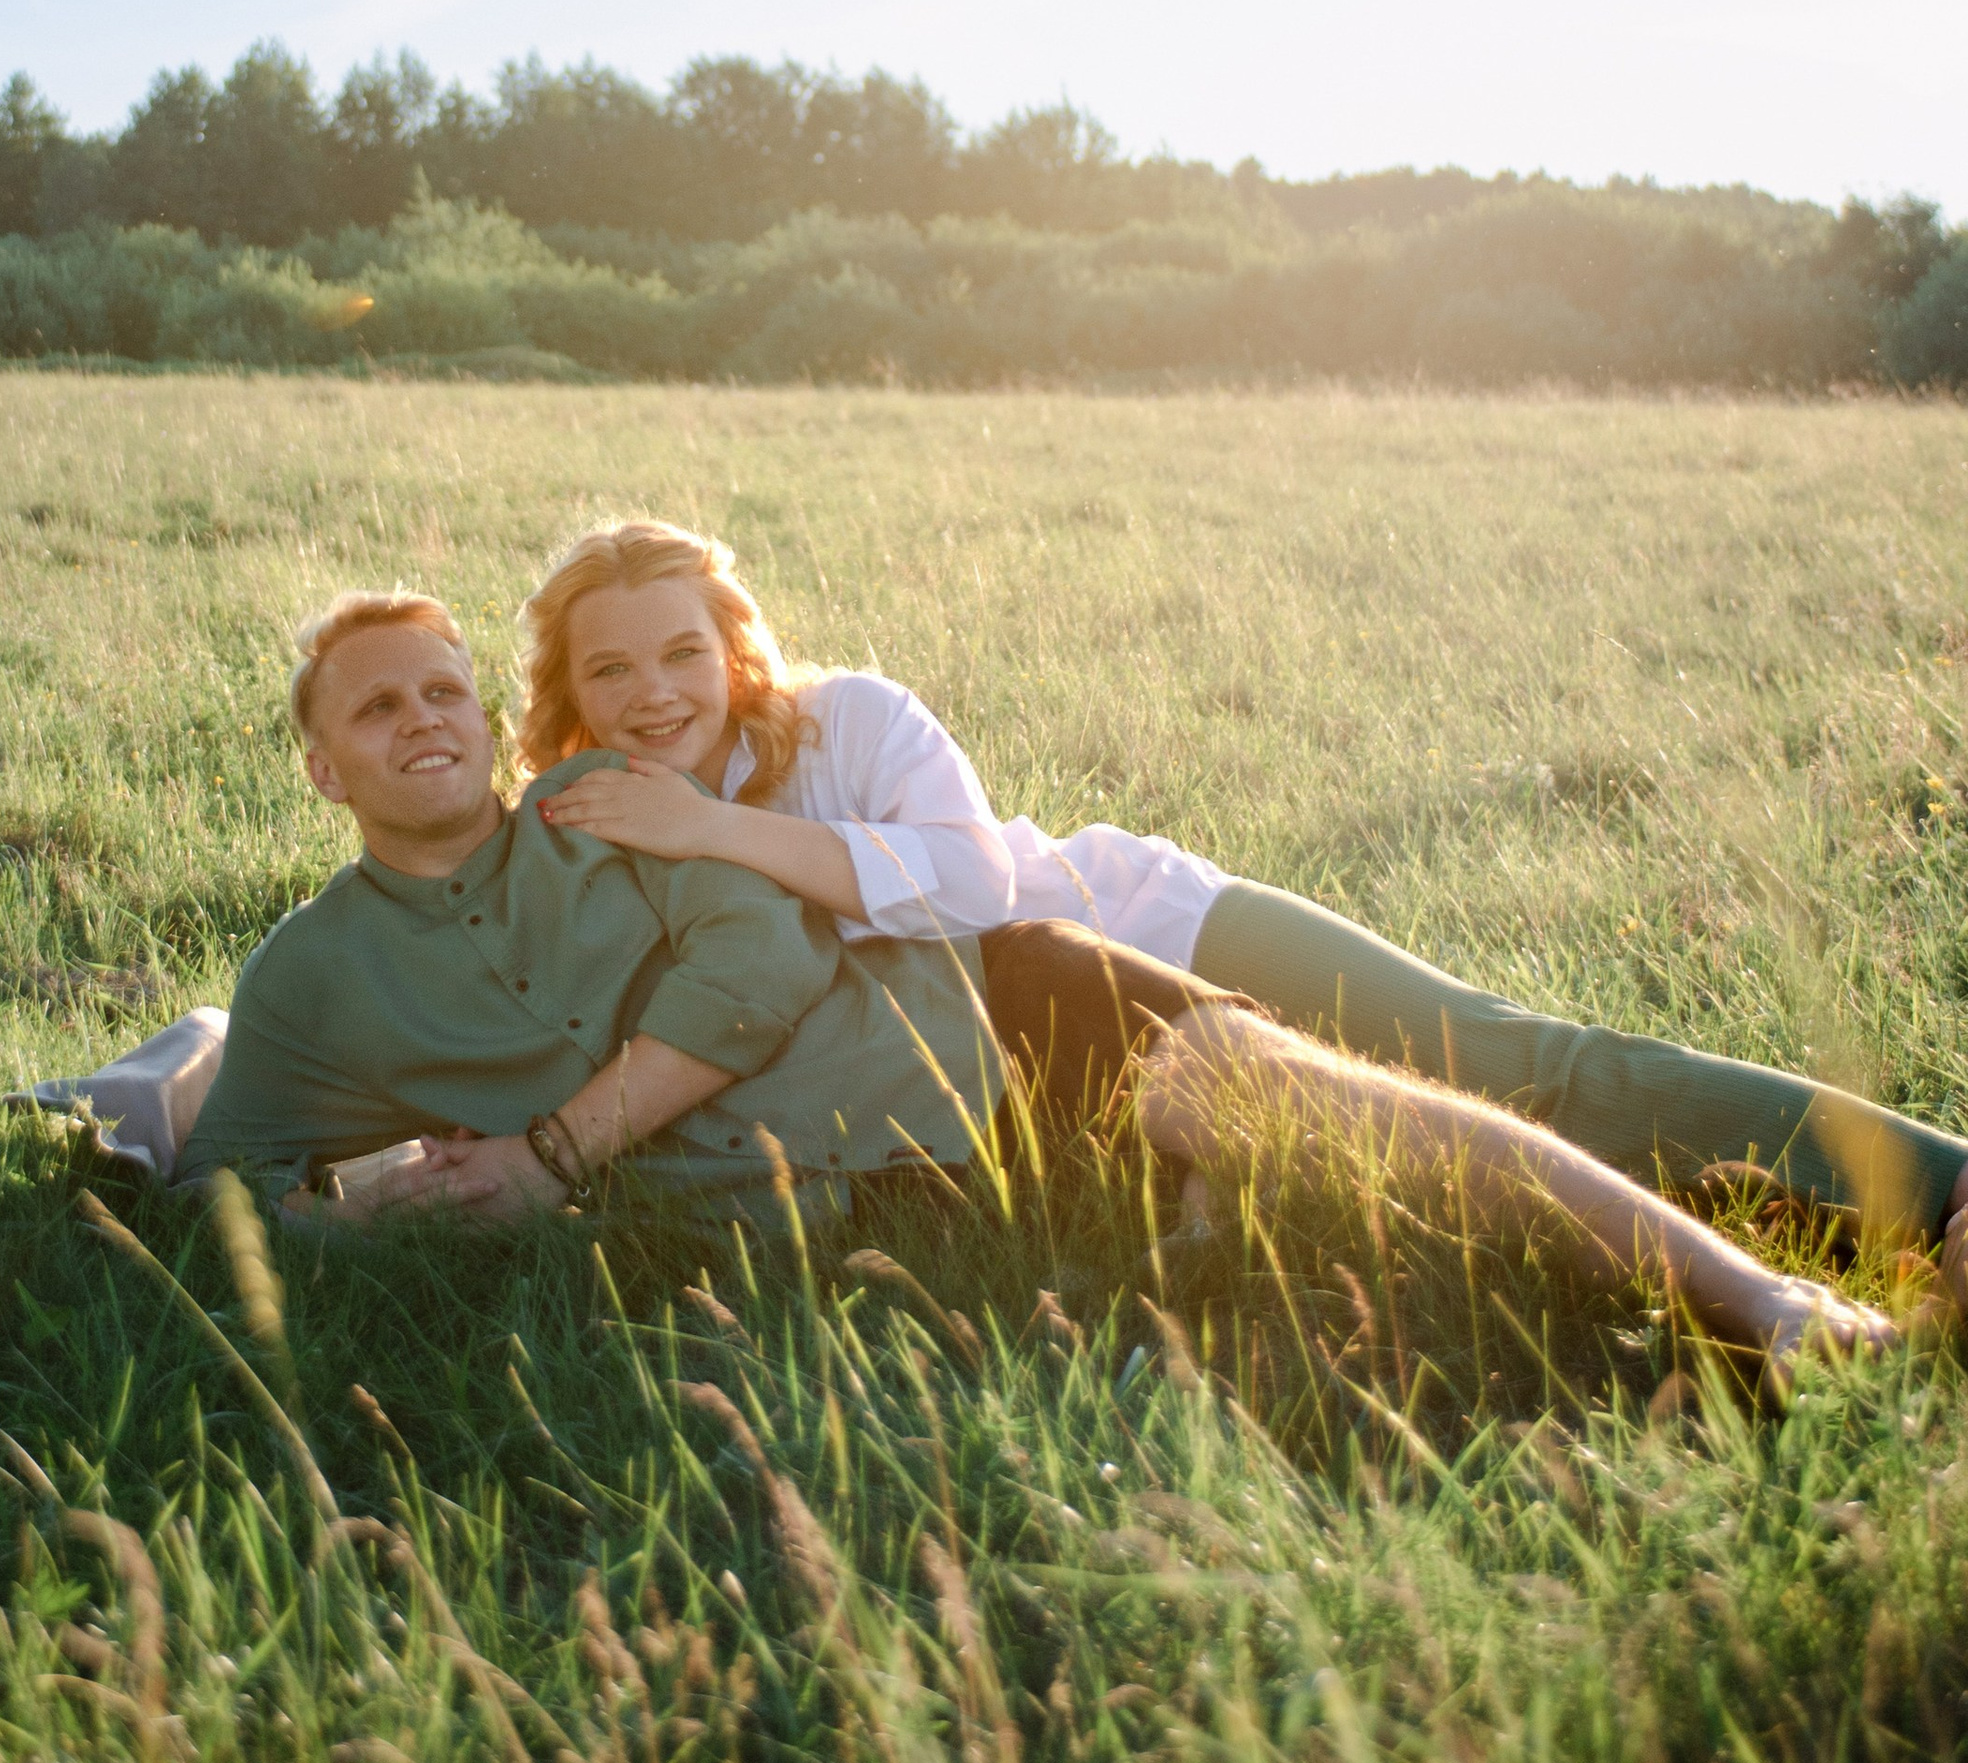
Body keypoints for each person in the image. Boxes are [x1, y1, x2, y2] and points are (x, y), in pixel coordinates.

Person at [179, 584, 1905, 1381]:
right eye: (378, 708)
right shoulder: (317, 978)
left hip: (1019, 985)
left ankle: (1782, 1295)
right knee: (1360, 1214)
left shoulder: (616, 810)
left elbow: (773, 946)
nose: (424, 722)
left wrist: (548, 1155)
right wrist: (397, 1203)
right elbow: (231, 1176)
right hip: (925, 1167)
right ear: (321, 766)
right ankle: (1810, 1231)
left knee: (1408, 1086)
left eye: (444, 693)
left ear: (494, 717)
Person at [518, 518, 1968, 1298]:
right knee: (1410, 1192)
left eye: (681, 651)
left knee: (1506, 1062)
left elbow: (961, 881)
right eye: (612, 670)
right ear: (567, 691)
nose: (653, 693)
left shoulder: (852, 722)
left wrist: (714, 827)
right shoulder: (579, 828)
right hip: (1036, 1072)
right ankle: (1808, 1253)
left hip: (1150, 928)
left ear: (735, 648)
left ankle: (1938, 1191)